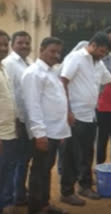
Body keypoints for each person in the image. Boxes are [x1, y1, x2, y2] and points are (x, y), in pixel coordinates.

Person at [59, 32, 111, 206]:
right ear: (93, 45)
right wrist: (66, 111)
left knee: (87, 152)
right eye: (102, 51)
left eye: (106, 53)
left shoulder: (98, 63)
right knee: (71, 154)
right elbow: (63, 81)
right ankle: (67, 192)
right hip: (74, 115)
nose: (104, 55)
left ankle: (84, 186)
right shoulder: (76, 58)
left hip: (90, 115)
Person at [21, 37, 69, 214]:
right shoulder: (34, 73)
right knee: (39, 171)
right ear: (41, 49)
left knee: (46, 170)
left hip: (55, 131)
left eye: (58, 52)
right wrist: (39, 134)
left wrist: (62, 131)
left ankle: (45, 204)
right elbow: (33, 106)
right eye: (52, 51)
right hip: (44, 132)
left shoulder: (51, 71)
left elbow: (56, 102)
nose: (56, 55)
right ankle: (36, 208)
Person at [2, 31, 32, 206]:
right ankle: (10, 198)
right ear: (14, 45)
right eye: (20, 43)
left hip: (25, 121)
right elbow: (10, 95)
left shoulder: (28, 62)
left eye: (27, 43)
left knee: (23, 160)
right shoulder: (9, 63)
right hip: (15, 123)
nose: (24, 46)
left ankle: (19, 194)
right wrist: (17, 121)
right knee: (13, 162)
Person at [0, 29, 19, 214]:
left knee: (7, 168)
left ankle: (5, 202)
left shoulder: (3, 69)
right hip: (1, 133)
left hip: (9, 130)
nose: (3, 48)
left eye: (5, 44)